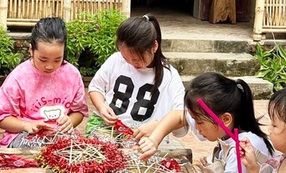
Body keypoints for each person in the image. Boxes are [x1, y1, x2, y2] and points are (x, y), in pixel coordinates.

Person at [140, 72, 275, 173]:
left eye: (199, 122)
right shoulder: (227, 129)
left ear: (226, 119)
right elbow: (179, 116)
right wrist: (154, 140)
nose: (197, 128)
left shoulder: (241, 150)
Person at [86, 15, 186, 142]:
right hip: (107, 127)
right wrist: (101, 106)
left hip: (143, 135)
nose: (132, 63)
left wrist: (158, 126)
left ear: (154, 46)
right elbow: (96, 87)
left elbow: (182, 114)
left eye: (137, 59)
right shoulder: (116, 60)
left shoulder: (169, 76)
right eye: (126, 58)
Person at [0, 17, 89, 148]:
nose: (49, 66)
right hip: (26, 136)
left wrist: (69, 121)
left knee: (78, 150)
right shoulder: (19, 77)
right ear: (31, 50)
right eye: (43, 59)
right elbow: (2, 117)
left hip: (61, 135)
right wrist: (27, 125)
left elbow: (79, 112)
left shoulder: (72, 75)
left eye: (57, 59)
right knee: (35, 149)